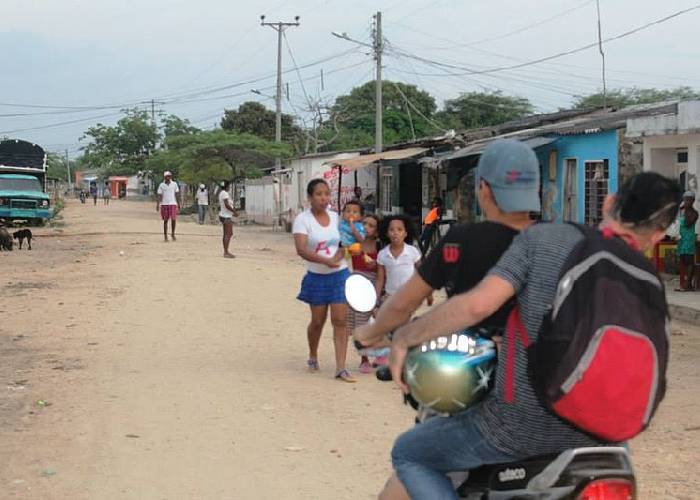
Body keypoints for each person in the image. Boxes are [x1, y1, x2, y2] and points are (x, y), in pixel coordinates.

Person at [372, 172, 679, 499]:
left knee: (411, 452)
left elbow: (476, 306)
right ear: (659, 234)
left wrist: (405, 336)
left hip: (519, 427)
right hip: (607, 438)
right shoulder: (649, 282)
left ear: (608, 202)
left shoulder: (545, 239)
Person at [356, 139, 540, 499]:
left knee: (412, 461)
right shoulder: (558, 241)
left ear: (483, 189)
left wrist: (371, 332)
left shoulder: (463, 240)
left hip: (475, 385)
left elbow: (402, 304)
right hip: (551, 392)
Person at [293, 179, 354, 383]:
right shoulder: (303, 220)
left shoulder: (336, 217)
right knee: (318, 321)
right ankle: (313, 354)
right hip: (316, 276)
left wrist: (339, 256)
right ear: (310, 197)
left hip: (340, 275)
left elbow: (347, 240)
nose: (323, 198)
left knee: (340, 320)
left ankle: (341, 367)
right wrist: (325, 261)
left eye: (326, 194)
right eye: (319, 194)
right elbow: (301, 249)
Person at [347, 214, 381, 374]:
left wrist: (375, 265)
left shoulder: (379, 247)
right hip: (357, 286)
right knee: (359, 323)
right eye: (365, 224)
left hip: (374, 285)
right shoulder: (356, 243)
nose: (366, 227)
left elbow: (383, 269)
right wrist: (352, 223)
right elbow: (350, 228)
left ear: (377, 231)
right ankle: (364, 359)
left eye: (371, 225)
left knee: (375, 322)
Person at [676, 191, 698, 291]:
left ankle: (687, 284)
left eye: (688, 200)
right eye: (685, 199)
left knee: (689, 261)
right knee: (683, 261)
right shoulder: (682, 211)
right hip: (681, 239)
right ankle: (687, 285)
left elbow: (688, 223)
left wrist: (685, 210)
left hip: (688, 240)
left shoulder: (694, 213)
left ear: (693, 201)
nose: (686, 202)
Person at [156, 171, 180, 242]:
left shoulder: (174, 184)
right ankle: (165, 236)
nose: (169, 177)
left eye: (170, 176)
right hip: (164, 204)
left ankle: (172, 233)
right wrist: (158, 204)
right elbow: (159, 195)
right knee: (165, 220)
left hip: (173, 203)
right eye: (167, 176)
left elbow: (177, 194)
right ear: (164, 177)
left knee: (173, 219)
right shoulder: (161, 185)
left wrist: (178, 204)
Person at [218, 180, 237, 258]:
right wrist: (234, 212)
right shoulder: (225, 194)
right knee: (228, 234)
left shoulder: (221, 193)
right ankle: (226, 252)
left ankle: (226, 251)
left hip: (224, 215)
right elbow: (226, 204)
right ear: (227, 186)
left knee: (227, 234)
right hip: (226, 216)